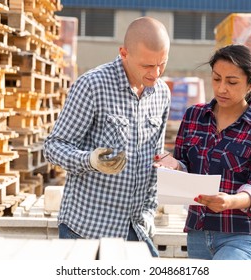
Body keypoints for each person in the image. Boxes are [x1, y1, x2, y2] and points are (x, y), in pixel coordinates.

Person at [43, 16, 171, 257]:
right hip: (86, 231)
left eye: (161, 64)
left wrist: (149, 212)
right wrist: (91, 160)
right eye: (147, 66)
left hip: (136, 230)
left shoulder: (161, 93)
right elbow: (53, 147)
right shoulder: (93, 86)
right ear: (124, 53)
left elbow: (156, 159)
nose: (155, 73)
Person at [153, 44, 251, 260]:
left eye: (231, 82)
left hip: (241, 235)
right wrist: (173, 165)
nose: (221, 88)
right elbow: (185, 167)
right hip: (198, 234)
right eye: (216, 79)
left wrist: (230, 201)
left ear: (250, 85)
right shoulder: (194, 116)